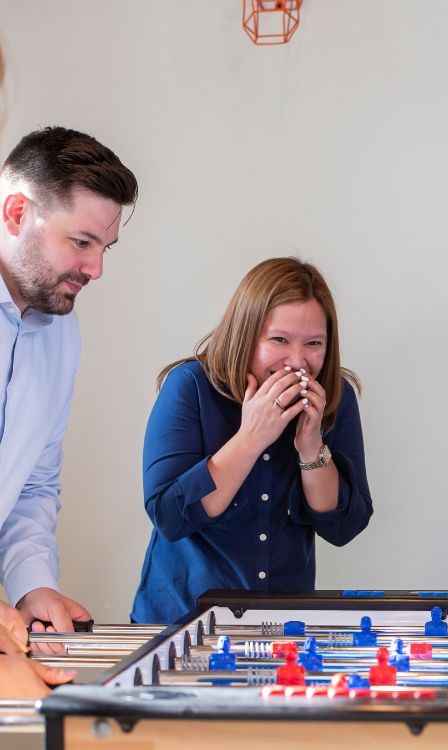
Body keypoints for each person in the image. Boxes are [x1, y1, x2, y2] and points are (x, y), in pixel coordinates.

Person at [131, 257, 373, 624]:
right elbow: (169, 516)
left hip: (282, 627)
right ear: (246, 333)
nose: (297, 361)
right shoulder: (190, 386)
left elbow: (343, 527)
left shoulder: (335, 397)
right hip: (180, 623)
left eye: (313, 344)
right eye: (279, 340)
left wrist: (311, 448)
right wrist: (252, 437)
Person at [0, 123, 137, 685]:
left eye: (104, 248)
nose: (96, 269)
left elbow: (32, 484)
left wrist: (32, 584)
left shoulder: (62, 332)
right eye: (81, 242)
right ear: (15, 213)